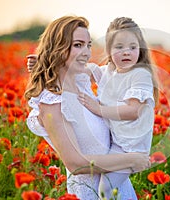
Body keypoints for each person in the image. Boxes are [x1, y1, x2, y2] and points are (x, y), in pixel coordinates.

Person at [24, 15, 150, 200]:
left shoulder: (81, 84)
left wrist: (43, 63)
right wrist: (132, 160)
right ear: (58, 48)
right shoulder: (51, 103)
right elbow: (75, 163)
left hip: (119, 190)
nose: (86, 52)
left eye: (88, 45)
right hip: (89, 193)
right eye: (78, 45)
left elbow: (94, 71)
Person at [77, 17, 159, 199]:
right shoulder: (109, 72)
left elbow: (132, 111)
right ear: (109, 50)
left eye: (132, 47)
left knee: (105, 189)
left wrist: (97, 109)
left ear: (140, 49)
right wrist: (43, 64)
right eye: (119, 47)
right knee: (97, 180)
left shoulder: (140, 75)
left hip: (132, 149)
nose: (126, 52)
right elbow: (80, 69)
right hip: (116, 144)